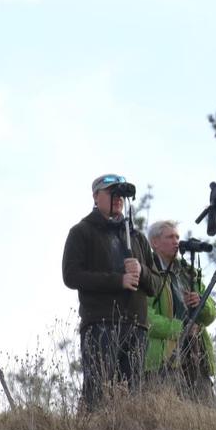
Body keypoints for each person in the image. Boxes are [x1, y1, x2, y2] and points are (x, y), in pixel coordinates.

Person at [62, 173, 157, 410]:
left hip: (137, 326)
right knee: (98, 394)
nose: (118, 199)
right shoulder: (81, 231)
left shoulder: (138, 238)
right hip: (100, 323)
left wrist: (142, 270)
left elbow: (155, 285)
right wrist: (118, 280)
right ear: (96, 196)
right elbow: (71, 276)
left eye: (122, 195)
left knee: (132, 398)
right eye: (111, 193)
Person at [144, 220, 216, 402]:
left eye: (177, 237)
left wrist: (200, 303)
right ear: (154, 242)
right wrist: (180, 329)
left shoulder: (188, 272)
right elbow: (145, 317)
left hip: (195, 353)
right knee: (167, 414)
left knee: (206, 412)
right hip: (163, 358)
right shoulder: (147, 273)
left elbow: (212, 312)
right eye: (170, 237)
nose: (176, 241)